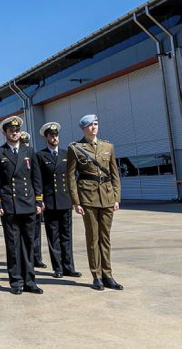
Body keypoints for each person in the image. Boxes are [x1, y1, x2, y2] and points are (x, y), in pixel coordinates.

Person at [0, 116, 44, 295]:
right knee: (13, 245)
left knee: (29, 244)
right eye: (11, 131)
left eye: (17, 130)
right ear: (5, 133)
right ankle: (16, 282)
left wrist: (39, 200)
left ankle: (30, 281)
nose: (15, 133)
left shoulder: (29, 151)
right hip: (9, 205)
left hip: (28, 204)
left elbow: (36, 178)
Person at [67, 115, 122, 291]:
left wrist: (116, 198)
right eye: (90, 125)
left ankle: (108, 275)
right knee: (93, 238)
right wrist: (76, 201)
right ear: (83, 128)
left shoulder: (108, 146)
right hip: (88, 198)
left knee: (105, 238)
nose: (94, 128)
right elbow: (71, 177)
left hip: (106, 197)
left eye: (96, 124)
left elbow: (115, 174)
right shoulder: (75, 148)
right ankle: (96, 275)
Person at [36, 123, 81, 279]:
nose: (54, 138)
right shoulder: (40, 156)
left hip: (65, 200)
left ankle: (69, 267)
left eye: (56, 135)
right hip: (50, 201)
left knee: (66, 235)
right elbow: (38, 179)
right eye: (51, 135)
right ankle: (58, 268)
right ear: (46, 137)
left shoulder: (66, 154)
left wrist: (75, 199)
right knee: (53, 236)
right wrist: (39, 199)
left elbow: (73, 177)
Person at [21, 132, 47, 268]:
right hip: (21, 200)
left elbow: (38, 179)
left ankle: (37, 257)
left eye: (26, 143)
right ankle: (27, 257)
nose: (24, 145)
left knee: (36, 231)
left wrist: (39, 199)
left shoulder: (33, 155)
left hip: (33, 199)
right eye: (22, 142)